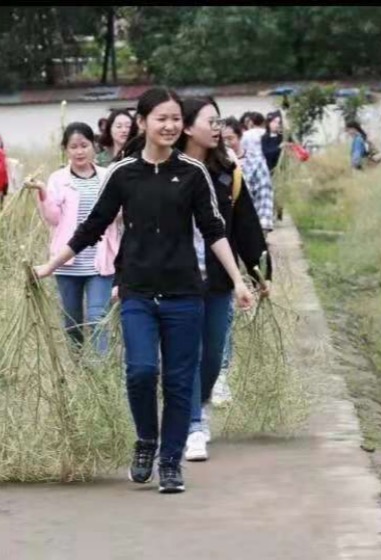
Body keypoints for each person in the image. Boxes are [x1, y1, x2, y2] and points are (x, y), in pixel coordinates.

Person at [34, 87, 255, 495]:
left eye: (176, 119)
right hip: (136, 292)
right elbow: (92, 227)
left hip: (184, 294)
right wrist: (50, 265)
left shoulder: (193, 172)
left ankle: (170, 462)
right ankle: (146, 441)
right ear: (142, 122)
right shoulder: (123, 173)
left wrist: (238, 280)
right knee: (140, 371)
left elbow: (214, 230)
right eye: (161, 119)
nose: (170, 126)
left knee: (178, 381)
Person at [176, 98, 272, 462]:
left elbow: (244, 223)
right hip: (176, 277)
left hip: (217, 277)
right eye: (211, 122)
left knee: (214, 354)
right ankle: (192, 425)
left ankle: (199, 405)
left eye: (219, 122)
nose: (218, 128)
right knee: (188, 351)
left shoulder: (227, 172)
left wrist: (259, 271)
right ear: (188, 127)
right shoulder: (165, 170)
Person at [29, 122, 120, 355]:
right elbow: (53, 218)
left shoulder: (107, 176)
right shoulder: (58, 179)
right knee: (72, 322)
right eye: (73, 147)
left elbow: (118, 211)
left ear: (94, 147)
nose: (79, 152)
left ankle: (99, 368)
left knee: (97, 317)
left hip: (100, 260)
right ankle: (78, 364)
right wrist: (42, 192)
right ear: (66, 150)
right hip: (67, 261)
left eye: (84, 145)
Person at [224, 116, 274, 234]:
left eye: (230, 138)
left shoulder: (255, 162)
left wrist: (263, 227)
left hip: (249, 224)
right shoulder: (215, 163)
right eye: (221, 139)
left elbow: (264, 193)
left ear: (240, 136)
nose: (226, 143)